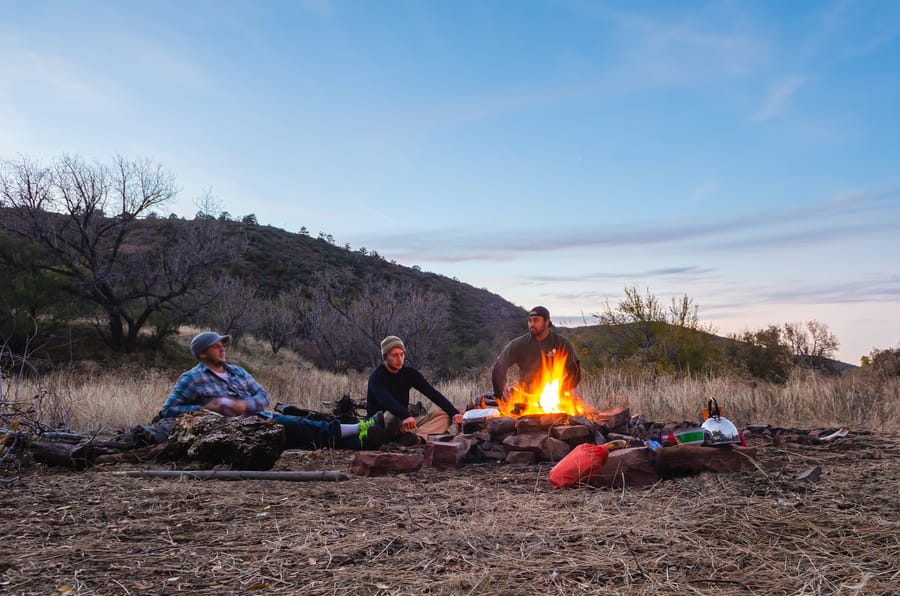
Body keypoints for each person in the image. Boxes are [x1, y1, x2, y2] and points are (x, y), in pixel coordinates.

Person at [159, 331, 385, 450]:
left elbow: (264, 397)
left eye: (222, 345)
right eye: (215, 347)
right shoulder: (192, 378)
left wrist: (245, 405)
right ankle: (360, 428)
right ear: (202, 354)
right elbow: (169, 410)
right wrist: (206, 407)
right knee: (300, 427)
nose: (222, 350)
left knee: (301, 434)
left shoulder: (237, 372)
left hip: (261, 419)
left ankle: (362, 441)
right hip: (229, 432)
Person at [366, 335, 463, 444]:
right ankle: (415, 435)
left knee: (445, 415)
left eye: (402, 354)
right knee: (390, 416)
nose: (399, 359)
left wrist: (454, 413)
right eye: (394, 355)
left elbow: (432, 393)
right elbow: (385, 399)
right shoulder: (377, 377)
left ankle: (416, 437)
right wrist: (405, 415)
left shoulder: (409, 373)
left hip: (404, 423)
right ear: (385, 357)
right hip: (383, 423)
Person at [492, 306, 581, 401]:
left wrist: (564, 388)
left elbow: (575, 371)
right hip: (527, 393)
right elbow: (499, 368)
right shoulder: (518, 344)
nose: (531, 324)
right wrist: (499, 394)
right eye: (530, 321)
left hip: (556, 392)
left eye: (536, 320)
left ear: (547, 322)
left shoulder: (561, 343)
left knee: (575, 395)